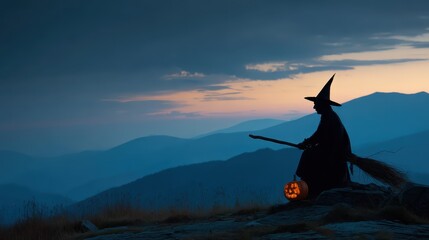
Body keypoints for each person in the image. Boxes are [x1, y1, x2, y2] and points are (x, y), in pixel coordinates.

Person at [296, 74, 351, 198]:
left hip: (333, 153)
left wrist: (306, 143)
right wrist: (308, 143)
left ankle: (310, 186)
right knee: (309, 154)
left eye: (316, 104)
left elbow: (319, 136)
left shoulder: (328, 117)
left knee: (308, 155)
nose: (314, 106)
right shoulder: (329, 116)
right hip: (332, 150)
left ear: (322, 104)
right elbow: (320, 135)